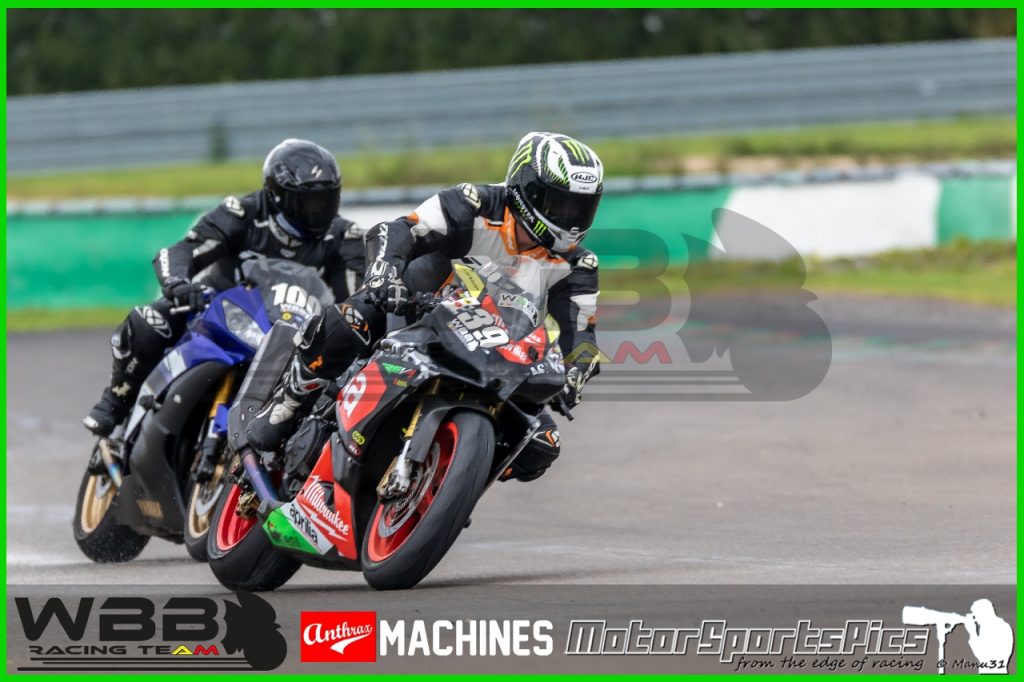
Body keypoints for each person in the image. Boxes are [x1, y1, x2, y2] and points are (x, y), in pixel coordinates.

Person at [249, 131, 603, 482]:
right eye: (562, 204)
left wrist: (573, 374)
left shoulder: (578, 265)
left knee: (541, 443)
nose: (571, 218)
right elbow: (400, 231)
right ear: (528, 189)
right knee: (351, 320)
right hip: (415, 307)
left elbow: (580, 336)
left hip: (493, 348)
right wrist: (384, 275)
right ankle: (290, 401)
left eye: (581, 207)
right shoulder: (475, 204)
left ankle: (450, 475)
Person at [83, 139, 366, 437]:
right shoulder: (243, 213)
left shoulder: (342, 237)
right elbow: (182, 251)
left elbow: (354, 297)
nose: (317, 211)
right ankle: (117, 399)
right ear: (277, 194)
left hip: (288, 333)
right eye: (307, 201)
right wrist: (178, 284)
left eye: (325, 200)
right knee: (148, 322)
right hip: (218, 309)